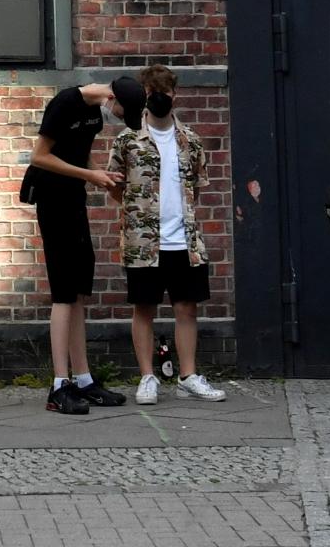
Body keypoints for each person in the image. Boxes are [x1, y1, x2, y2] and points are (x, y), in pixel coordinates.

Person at [106, 64, 227, 406]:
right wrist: (138, 211)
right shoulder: (128, 140)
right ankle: (147, 377)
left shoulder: (191, 141)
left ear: (176, 95)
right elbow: (114, 186)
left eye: (166, 92)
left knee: (186, 307)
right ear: (144, 96)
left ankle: (188, 375)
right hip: (143, 243)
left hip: (184, 241)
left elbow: (197, 189)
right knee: (143, 308)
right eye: (153, 92)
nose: (160, 98)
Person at [21, 74, 129, 416]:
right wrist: (90, 176)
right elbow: (39, 156)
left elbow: (80, 155)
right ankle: (59, 384)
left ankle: (83, 379)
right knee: (64, 292)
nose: (120, 119)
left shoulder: (96, 111)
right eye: (124, 112)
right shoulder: (65, 103)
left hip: (74, 200)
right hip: (52, 200)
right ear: (113, 98)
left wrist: (102, 176)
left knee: (80, 289)